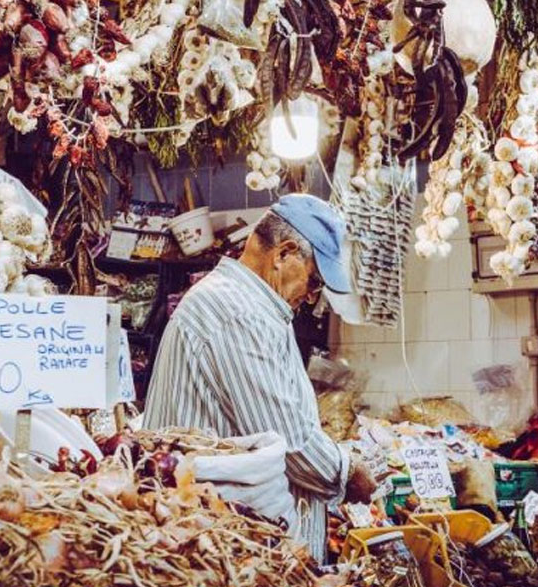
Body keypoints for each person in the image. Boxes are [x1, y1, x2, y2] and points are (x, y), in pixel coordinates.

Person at [144, 194, 377, 561]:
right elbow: (289, 442)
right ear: (283, 254)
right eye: (314, 281)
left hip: (232, 541)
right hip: (216, 546)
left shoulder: (255, 306)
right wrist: (348, 473)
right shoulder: (237, 311)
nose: (312, 295)